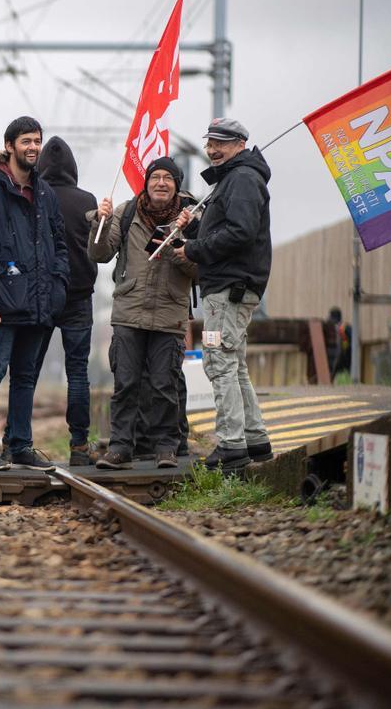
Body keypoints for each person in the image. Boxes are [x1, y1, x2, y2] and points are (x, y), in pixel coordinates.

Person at [0, 117, 69, 471]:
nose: (33, 147)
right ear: (10, 146)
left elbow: (60, 244)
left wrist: (58, 286)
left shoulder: (45, 192)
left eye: (37, 141)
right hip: (2, 300)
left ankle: (20, 445)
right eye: (26, 141)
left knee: (25, 377)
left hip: (38, 300)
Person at [174, 118, 273, 471]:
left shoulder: (243, 179)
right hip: (232, 286)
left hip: (230, 288)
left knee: (219, 363)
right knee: (234, 364)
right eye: (211, 143)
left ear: (241, 143)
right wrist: (197, 229)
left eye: (223, 143)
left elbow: (240, 233)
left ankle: (231, 446)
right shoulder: (235, 179)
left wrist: (194, 249)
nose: (213, 149)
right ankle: (255, 440)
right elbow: (229, 230)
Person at [88, 156, 198, 470]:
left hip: (169, 313)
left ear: (176, 184)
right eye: (155, 177)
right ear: (146, 183)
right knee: (125, 384)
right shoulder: (125, 213)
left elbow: (201, 270)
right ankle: (121, 447)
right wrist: (102, 221)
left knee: (165, 385)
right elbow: (100, 253)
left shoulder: (191, 219)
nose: (160, 183)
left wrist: (180, 247)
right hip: (128, 312)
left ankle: (166, 447)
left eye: (168, 178)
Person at [34, 136, 99, 464]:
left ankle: (21, 440)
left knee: (27, 370)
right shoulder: (86, 200)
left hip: (41, 297)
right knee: (77, 372)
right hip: (78, 297)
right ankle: (78, 445)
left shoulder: (36, 197)